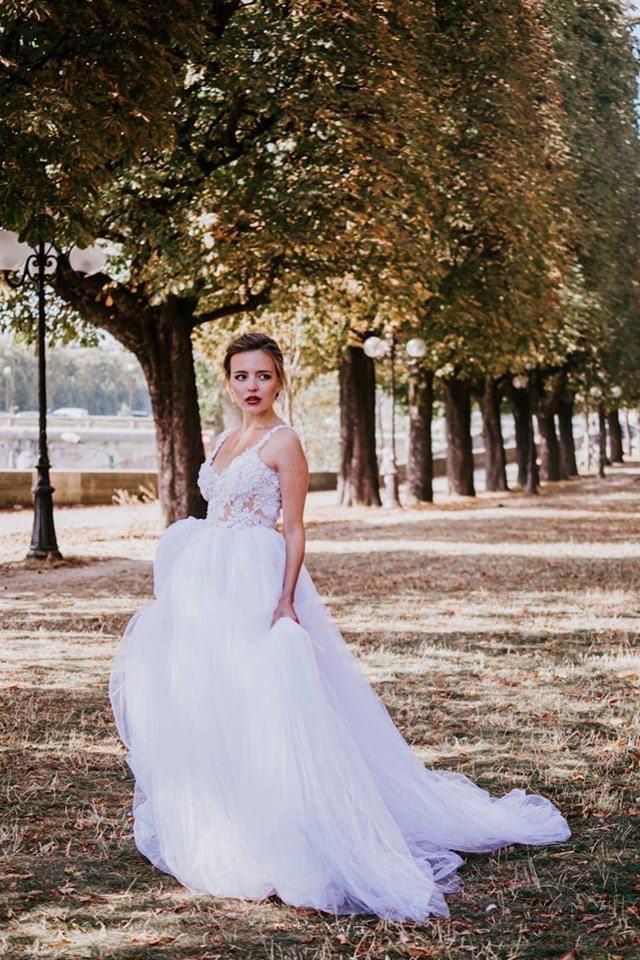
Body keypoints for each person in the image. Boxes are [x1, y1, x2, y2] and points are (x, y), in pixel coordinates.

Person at [110, 331, 570, 922]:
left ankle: (290, 828)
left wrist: (284, 601)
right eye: (242, 376)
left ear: (280, 381)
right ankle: (228, 818)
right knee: (212, 697)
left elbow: (295, 528)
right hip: (208, 581)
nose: (252, 386)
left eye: (264, 376)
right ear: (228, 381)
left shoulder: (285, 443)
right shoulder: (223, 439)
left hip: (256, 577)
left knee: (269, 700)